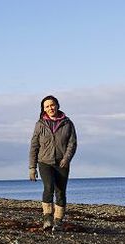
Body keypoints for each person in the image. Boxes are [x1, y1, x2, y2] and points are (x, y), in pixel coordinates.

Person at [29, 95, 77, 231]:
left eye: (52, 105)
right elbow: (34, 146)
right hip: (45, 162)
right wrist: (32, 167)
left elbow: (72, 144)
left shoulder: (68, 123)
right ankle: (47, 219)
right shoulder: (40, 124)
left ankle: (58, 221)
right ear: (43, 109)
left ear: (57, 105)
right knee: (48, 188)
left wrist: (66, 159)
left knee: (60, 192)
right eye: (47, 106)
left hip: (62, 163)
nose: (50, 108)